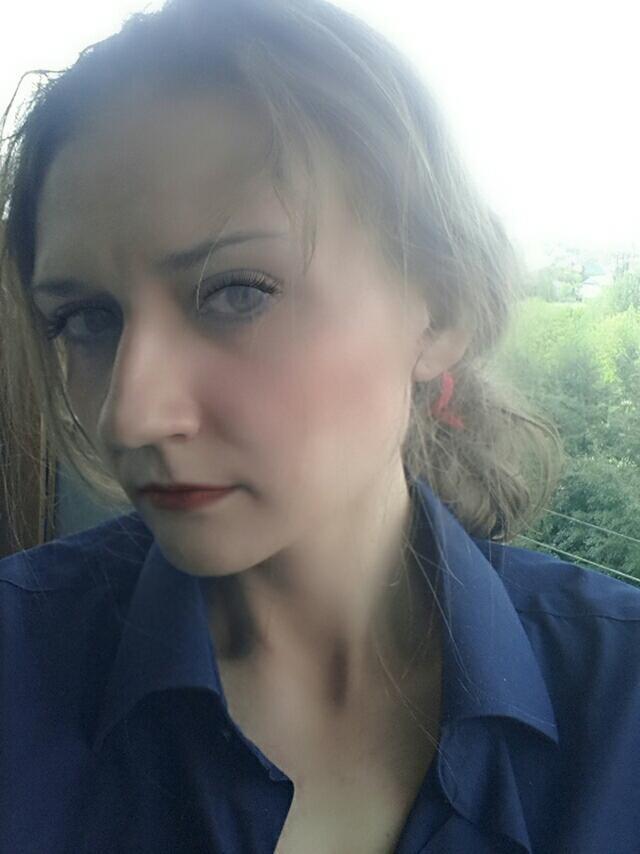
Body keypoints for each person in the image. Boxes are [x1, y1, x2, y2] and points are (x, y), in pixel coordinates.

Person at [1, 0, 639, 851]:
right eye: (86, 319)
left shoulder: (621, 707)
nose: (133, 413)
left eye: (237, 292)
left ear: (441, 305)